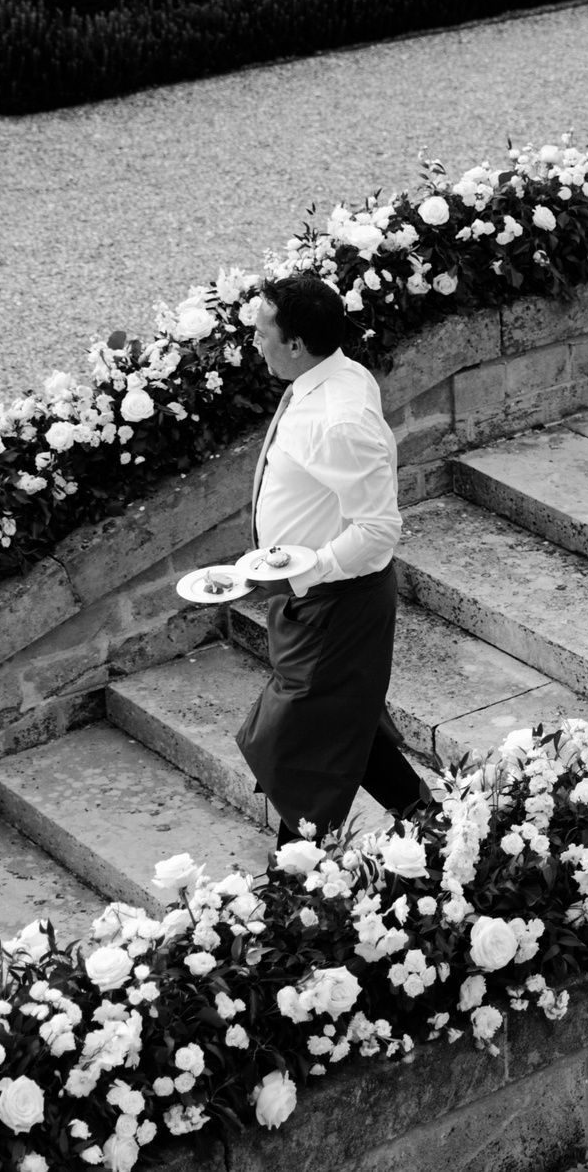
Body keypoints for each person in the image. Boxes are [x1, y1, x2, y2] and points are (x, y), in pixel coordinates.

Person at [234, 273, 430, 839]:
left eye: (262, 333)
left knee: (299, 738)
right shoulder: (334, 375)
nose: (255, 343)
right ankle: (438, 828)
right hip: (311, 596)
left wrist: (303, 572)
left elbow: (378, 529)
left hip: (336, 603)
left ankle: (294, 875)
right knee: (341, 725)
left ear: (296, 344)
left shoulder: (339, 420)